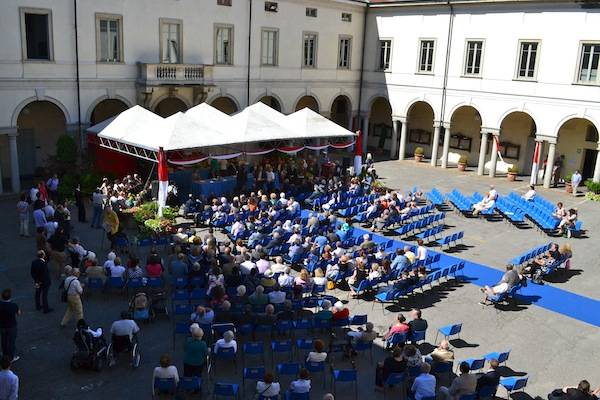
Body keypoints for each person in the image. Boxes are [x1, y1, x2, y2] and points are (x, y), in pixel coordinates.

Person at [0, 289, 20, 362]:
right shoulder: (13, 305)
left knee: (3, 340)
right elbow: (19, 313)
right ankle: (11, 357)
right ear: (10, 297)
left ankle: (4, 354)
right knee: (11, 342)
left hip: (2, 326)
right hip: (11, 326)